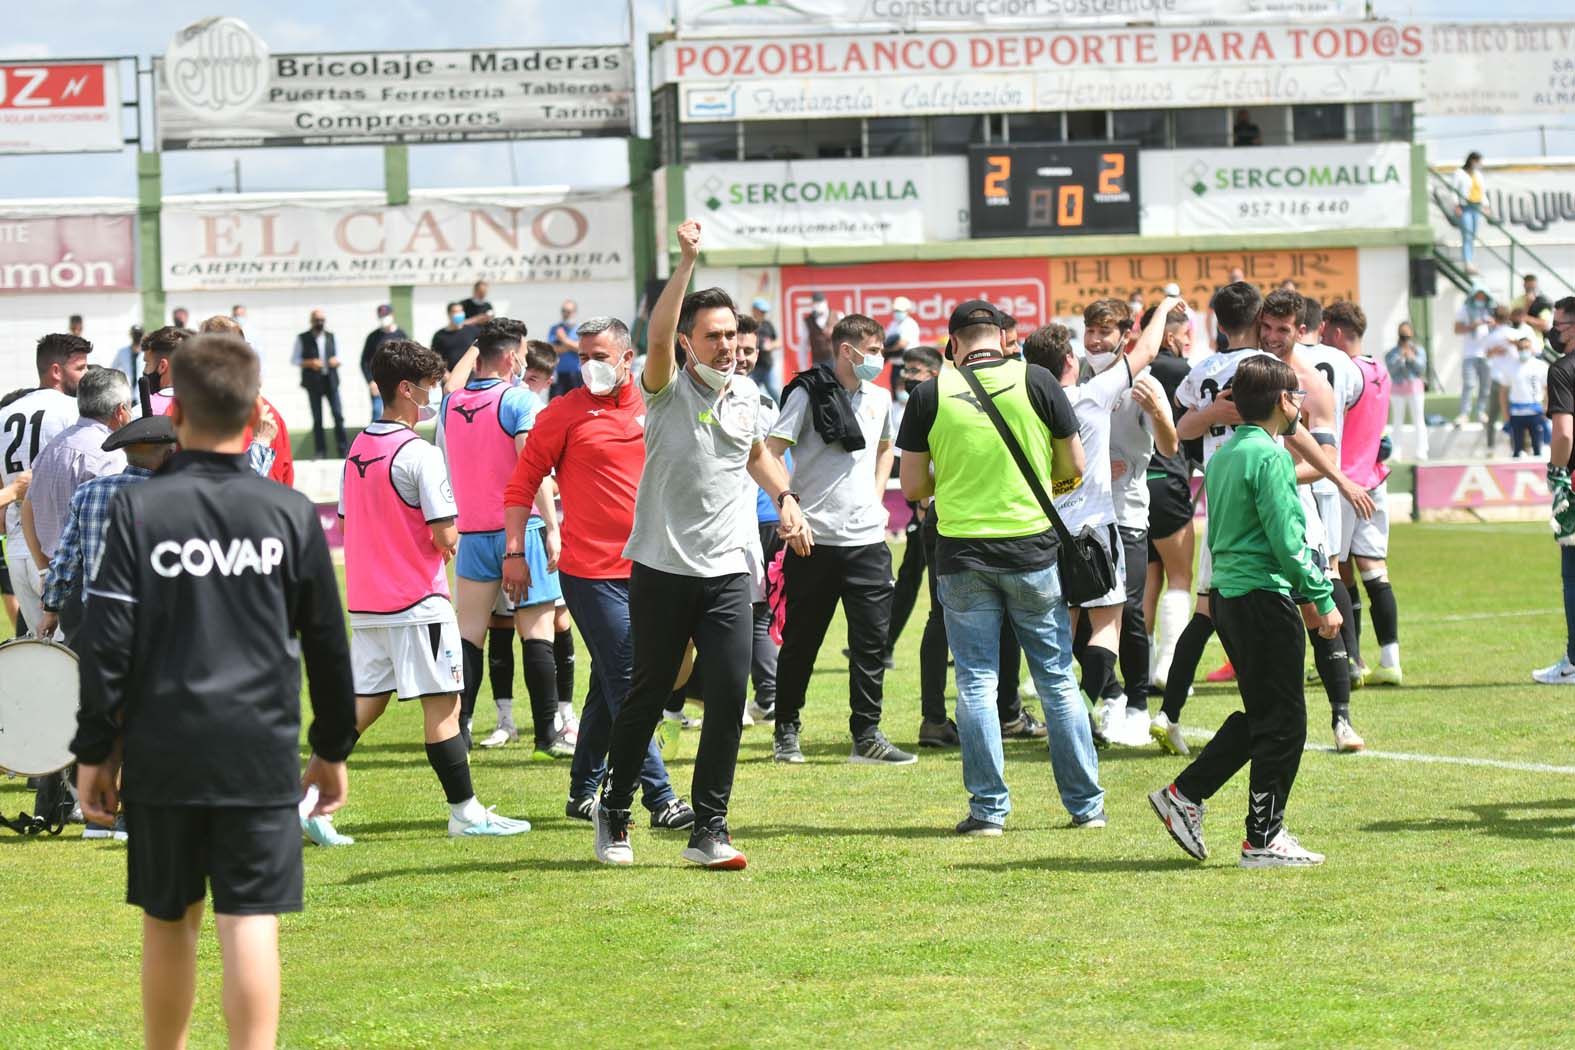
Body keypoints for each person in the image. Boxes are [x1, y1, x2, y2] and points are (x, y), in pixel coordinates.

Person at [69, 333, 356, 1050]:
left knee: (169, 918)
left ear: (178, 413)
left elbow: (107, 645)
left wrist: (96, 750)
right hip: (258, 745)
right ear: (258, 410)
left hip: (164, 745)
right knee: (249, 917)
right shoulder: (289, 513)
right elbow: (327, 641)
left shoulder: (141, 511)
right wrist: (331, 749)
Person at [593, 218, 808, 870]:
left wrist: (788, 499)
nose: (726, 347)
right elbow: (653, 333)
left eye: (732, 337)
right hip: (660, 566)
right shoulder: (661, 389)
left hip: (727, 570)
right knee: (646, 693)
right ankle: (614, 808)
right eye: (712, 336)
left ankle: (708, 829)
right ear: (687, 344)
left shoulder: (748, 395)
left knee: (727, 696)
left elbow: (756, 457)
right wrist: (685, 261)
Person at [305, 338, 531, 847]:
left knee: (363, 708)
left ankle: (306, 803)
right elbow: (446, 533)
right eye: (429, 386)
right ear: (405, 390)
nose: (433, 395)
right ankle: (465, 812)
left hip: (367, 603)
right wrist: (442, 543)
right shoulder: (419, 454)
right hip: (415, 601)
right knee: (444, 706)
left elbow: (346, 520)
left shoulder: (358, 447)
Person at [898, 301, 1101, 834]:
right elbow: (1074, 467)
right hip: (1031, 548)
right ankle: (1086, 808)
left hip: (961, 551)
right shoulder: (1037, 380)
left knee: (975, 684)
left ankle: (988, 810)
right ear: (1005, 339)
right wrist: (1041, 488)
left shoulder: (929, 393)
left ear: (954, 344)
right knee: (1057, 679)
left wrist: (959, 482)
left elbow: (914, 487)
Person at [1154, 284, 1373, 754]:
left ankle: (1341, 720)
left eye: (1282, 330)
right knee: (1210, 611)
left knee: (1316, 604)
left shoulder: (1308, 382)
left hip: (1289, 507)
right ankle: (1173, 713)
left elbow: (1319, 451)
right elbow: (1181, 429)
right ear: (1256, 324)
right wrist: (1215, 415)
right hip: (1233, 509)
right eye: (1266, 327)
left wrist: (1280, 479)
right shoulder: (1240, 375)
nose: (1273, 336)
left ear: (1303, 332)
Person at [1148, 354, 1339, 868]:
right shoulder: (1272, 457)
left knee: (1263, 716)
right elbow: (1287, 540)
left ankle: (1187, 797)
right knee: (1286, 723)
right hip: (1262, 599)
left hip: (1229, 598)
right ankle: (1262, 838)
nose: (1301, 401)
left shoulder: (1227, 453)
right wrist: (1320, 600)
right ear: (1282, 401)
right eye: (1296, 394)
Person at [503, 316, 693, 829]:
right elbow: (521, 485)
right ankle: (659, 798)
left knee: (610, 682)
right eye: (582, 356)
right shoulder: (562, 413)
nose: (587, 366)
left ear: (628, 359)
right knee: (632, 682)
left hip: (655, 569)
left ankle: (582, 790)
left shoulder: (660, 404)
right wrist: (515, 551)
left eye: (600, 357)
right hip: (589, 573)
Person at [767, 313, 911, 765]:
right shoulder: (807, 393)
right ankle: (786, 729)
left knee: (871, 642)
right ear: (847, 351)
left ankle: (866, 736)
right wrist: (788, 506)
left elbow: (887, 446)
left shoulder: (882, 397)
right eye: (873, 351)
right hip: (813, 540)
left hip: (868, 539)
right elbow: (770, 451)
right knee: (802, 642)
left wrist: (875, 494)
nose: (880, 359)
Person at [1035, 296, 1179, 746]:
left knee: (1128, 612)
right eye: (1090, 331)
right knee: (1083, 615)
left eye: (1105, 332)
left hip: (1126, 515)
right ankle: (1107, 695)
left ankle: (1136, 702)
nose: (1095, 340)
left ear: (1124, 335)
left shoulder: (1142, 383)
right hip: (1086, 520)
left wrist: (1156, 414)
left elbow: (1171, 448)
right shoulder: (1084, 384)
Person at [442, 319, 564, 755]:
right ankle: (548, 734)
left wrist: (477, 347)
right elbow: (531, 472)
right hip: (521, 528)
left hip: (473, 533)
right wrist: (551, 527)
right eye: (524, 351)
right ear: (513, 358)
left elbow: (450, 384)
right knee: (537, 632)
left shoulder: (452, 404)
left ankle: (460, 728)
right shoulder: (519, 400)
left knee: (469, 634)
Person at [38, 413, 176, 648]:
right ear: (169, 455)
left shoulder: (87, 493)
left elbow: (64, 562)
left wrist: (51, 608)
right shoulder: (180, 497)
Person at [17, 366, 132, 642]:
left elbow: (27, 508)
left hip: (59, 577)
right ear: (120, 411)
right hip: (98, 583)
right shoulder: (110, 453)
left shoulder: (51, 449)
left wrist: (45, 567)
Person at [1326, 300, 1404, 688]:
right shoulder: (1380, 370)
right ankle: (1390, 660)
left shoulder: (1343, 372)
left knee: (1337, 570)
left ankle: (1351, 660)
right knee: (1375, 572)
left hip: (1344, 483)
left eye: (1325, 332)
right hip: (1374, 480)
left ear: (1337, 333)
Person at [1296, 298, 1366, 686]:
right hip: (1327, 467)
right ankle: (1350, 658)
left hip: (1296, 472)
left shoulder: (1279, 361)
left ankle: (1325, 658)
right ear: (1320, 325)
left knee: (1299, 567)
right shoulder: (1343, 362)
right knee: (1334, 568)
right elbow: (1354, 400)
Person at [2, 333, 88, 635]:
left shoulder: (4, 414)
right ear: (56, 371)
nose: (86, 376)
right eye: (80, 368)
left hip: (16, 548)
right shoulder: (71, 410)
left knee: (41, 651)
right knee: (69, 653)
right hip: (55, 550)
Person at [1141, 303, 1197, 694]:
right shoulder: (1182, 372)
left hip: (1134, 485)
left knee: (1148, 579)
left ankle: (1141, 669)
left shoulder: (1132, 371)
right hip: (1169, 478)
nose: (1190, 343)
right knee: (1180, 575)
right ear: (1170, 336)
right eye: (1187, 336)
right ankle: (1169, 666)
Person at [735, 312, 784, 725]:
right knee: (754, 611)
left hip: (757, 522)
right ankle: (764, 696)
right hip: (741, 523)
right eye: (738, 349)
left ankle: (765, 696)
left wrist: (788, 506)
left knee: (755, 611)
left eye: (749, 351)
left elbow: (774, 462)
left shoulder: (763, 404)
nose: (743, 358)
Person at [1536, 297, 1575, 683]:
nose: (1553, 330)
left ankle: (1574, 661)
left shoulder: (1562, 370)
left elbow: (1564, 431)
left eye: (1560, 324)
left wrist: (1557, 471)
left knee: (1573, 572)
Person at [291, 308, 347, 459]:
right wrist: (310, 362)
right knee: (317, 418)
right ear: (311, 321)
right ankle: (320, 451)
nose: (319, 322)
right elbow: (295, 359)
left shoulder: (331, 337)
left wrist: (336, 360)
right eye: (317, 320)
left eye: (322, 320)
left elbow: (341, 356)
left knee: (338, 415)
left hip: (331, 381)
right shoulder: (302, 338)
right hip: (313, 382)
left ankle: (343, 450)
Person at [1386, 322, 1429, 461]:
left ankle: (1422, 450)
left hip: (1414, 387)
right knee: (1397, 421)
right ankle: (1396, 452)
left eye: (1407, 336)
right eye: (1403, 336)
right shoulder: (1392, 352)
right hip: (1398, 388)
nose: (1405, 339)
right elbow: (1391, 369)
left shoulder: (1419, 350)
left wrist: (1411, 358)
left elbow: (1421, 368)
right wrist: (1400, 358)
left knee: (1418, 419)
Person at [1455, 288, 1494, 426]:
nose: (1480, 300)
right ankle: (1464, 414)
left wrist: (1492, 324)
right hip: (1470, 354)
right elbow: (1457, 329)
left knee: (1485, 386)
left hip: (1487, 354)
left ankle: (1481, 412)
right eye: (1478, 297)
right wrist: (1474, 324)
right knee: (1469, 384)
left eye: (1483, 297)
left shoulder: (1490, 310)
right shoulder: (1464, 310)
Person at [360, 304, 406, 419]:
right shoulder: (373, 337)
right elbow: (364, 361)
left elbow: (408, 359)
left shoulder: (401, 335)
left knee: (399, 414)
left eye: (386, 315)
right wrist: (371, 381)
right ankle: (375, 437)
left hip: (398, 383)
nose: (384, 318)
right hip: (378, 383)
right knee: (377, 412)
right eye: (381, 316)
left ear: (392, 315)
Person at [1508, 331, 1549, 458]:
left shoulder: (1540, 366)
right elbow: (1503, 391)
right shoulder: (1511, 365)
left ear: (1531, 348)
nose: (1523, 350)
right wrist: (1506, 414)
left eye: (1526, 348)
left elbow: (1547, 388)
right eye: (1520, 348)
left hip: (1535, 412)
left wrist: (1546, 408)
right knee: (1517, 451)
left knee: (1538, 449)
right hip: (1516, 412)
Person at [1450, 151, 1489, 274]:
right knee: (1467, 234)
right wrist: (1456, 205)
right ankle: (1467, 262)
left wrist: (1486, 205)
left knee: (1472, 235)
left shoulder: (1478, 175)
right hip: (1464, 206)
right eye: (1478, 161)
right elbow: (1453, 190)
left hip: (1476, 207)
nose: (1479, 164)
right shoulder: (1459, 173)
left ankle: (1471, 261)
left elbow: (1482, 191)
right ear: (1472, 161)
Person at [549, 299, 583, 397]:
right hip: (559, 375)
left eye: (568, 311)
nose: (565, 314)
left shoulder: (581, 329)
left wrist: (564, 340)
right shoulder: (555, 329)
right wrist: (572, 345)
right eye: (563, 311)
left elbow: (582, 349)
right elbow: (552, 350)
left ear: (574, 312)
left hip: (577, 374)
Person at [432, 302, 478, 370]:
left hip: (472, 377)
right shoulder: (440, 336)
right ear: (449, 314)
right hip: (450, 377)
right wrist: (448, 377)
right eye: (456, 312)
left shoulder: (473, 331)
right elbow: (436, 360)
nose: (459, 314)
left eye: (461, 311)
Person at [749, 297, 780, 396]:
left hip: (767, 367)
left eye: (764, 312)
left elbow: (778, 342)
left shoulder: (768, 325)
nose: (763, 314)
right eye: (761, 311)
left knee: (775, 392)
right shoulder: (748, 324)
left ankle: (783, 411)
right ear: (754, 310)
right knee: (750, 394)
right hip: (752, 368)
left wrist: (771, 346)